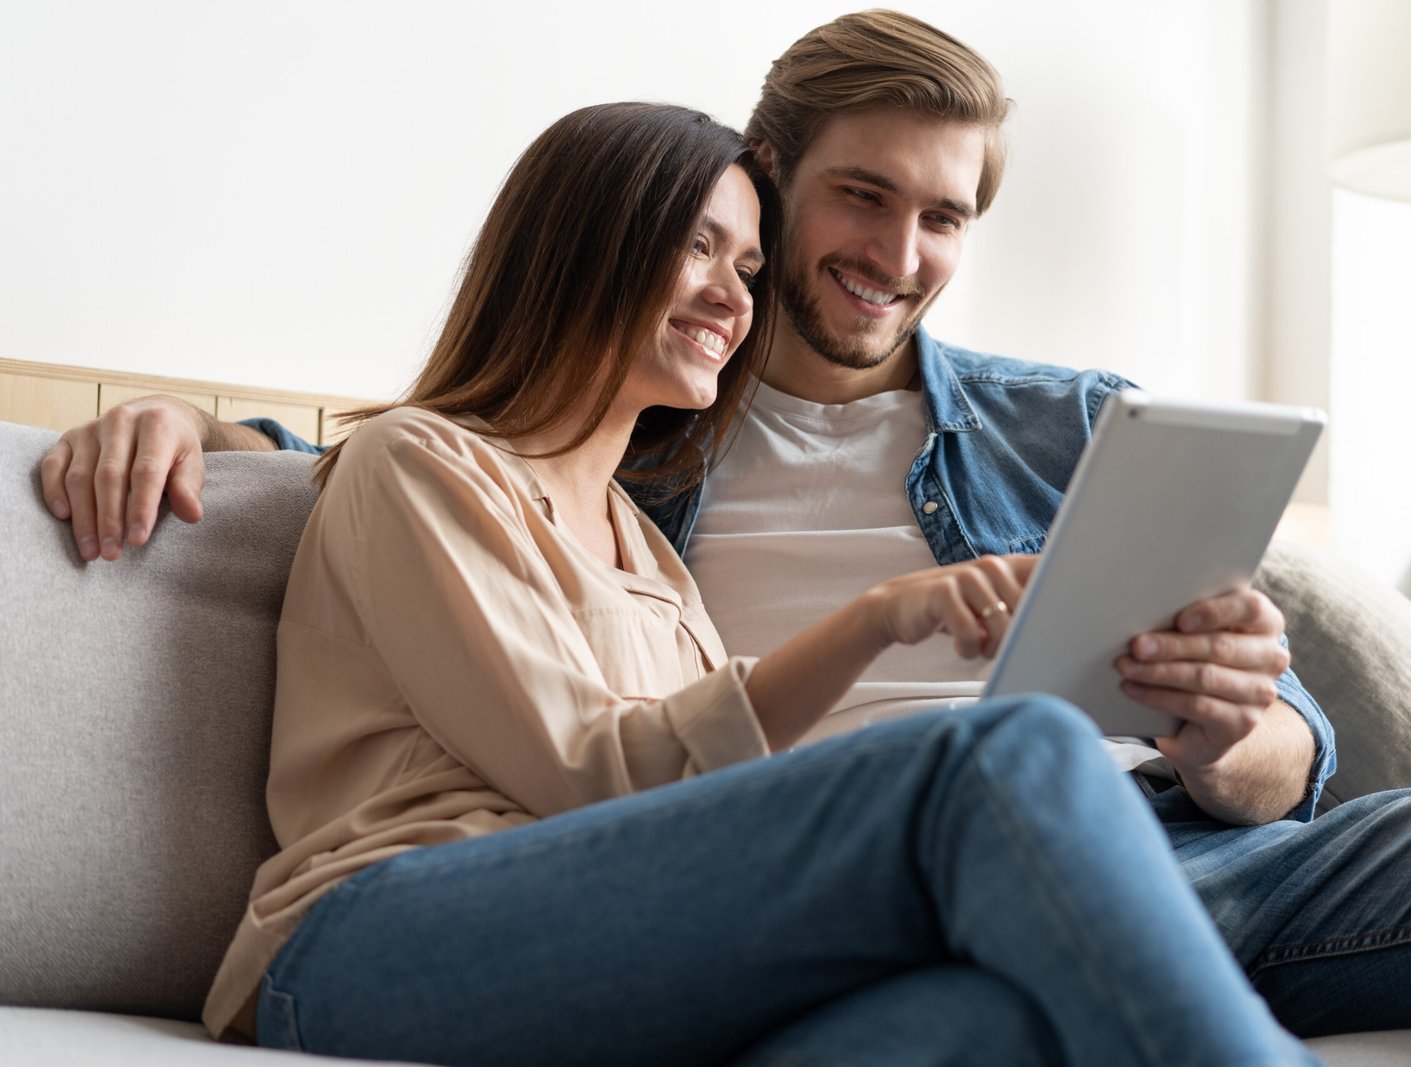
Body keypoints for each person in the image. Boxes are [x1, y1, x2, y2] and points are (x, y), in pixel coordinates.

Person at [41, 6, 1411, 1049]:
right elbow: (432, 484)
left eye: (946, 217)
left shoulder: (1054, 427)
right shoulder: (601, 464)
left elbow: (1291, 768)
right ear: (768, 184)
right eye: (858, 200)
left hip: (1168, 853)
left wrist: (1233, 723)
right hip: (761, 878)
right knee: (1011, 760)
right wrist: (183, 425)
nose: (900, 251)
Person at [195, 99, 1321, 1067]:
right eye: (696, 247)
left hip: (601, 925)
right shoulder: (420, 464)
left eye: (745, 266)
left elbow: (711, 805)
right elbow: (601, 770)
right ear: (583, 247)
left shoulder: (646, 544)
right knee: (1011, 747)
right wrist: (877, 620)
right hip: (369, 934)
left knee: (982, 1016)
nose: (733, 298)